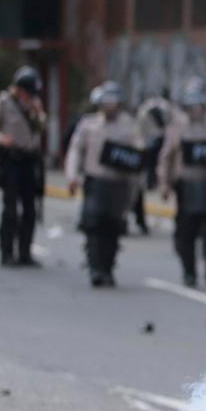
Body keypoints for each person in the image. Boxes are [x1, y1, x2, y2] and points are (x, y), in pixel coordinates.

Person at [64, 82, 145, 287]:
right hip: (95, 182)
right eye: (105, 101)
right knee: (93, 225)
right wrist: (72, 175)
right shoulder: (88, 124)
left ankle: (108, 267)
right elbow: (75, 150)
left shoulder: (130, 126)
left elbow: (138, 156)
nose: (109, 106)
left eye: (113, 101)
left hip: (119, 184)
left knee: (113, 227)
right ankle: (95, 268)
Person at [158, 78, 206, 288]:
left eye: (200, 104)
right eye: (192, 104)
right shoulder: (178, 128)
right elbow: (166, 157)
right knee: (185, 233)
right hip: (187, 186)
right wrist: (164, 183)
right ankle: (189, 272)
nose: (196, 109)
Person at [0, 66, 46, 267]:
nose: (30, 96)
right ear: (20, 89)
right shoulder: (3, 102)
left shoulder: (34, 105)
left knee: (30, 209)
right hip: (11, 160)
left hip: (29, 160)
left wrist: (38, 113)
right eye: (28, 92)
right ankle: (7, 252)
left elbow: (41, 129)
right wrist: (2, 139)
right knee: (10, 209)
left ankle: (25, 252)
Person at [132, 92, 174, 234]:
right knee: (141, 185)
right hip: (148, 150)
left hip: (155, 149)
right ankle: (141, 221)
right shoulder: (152, 109)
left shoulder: (157, 108)